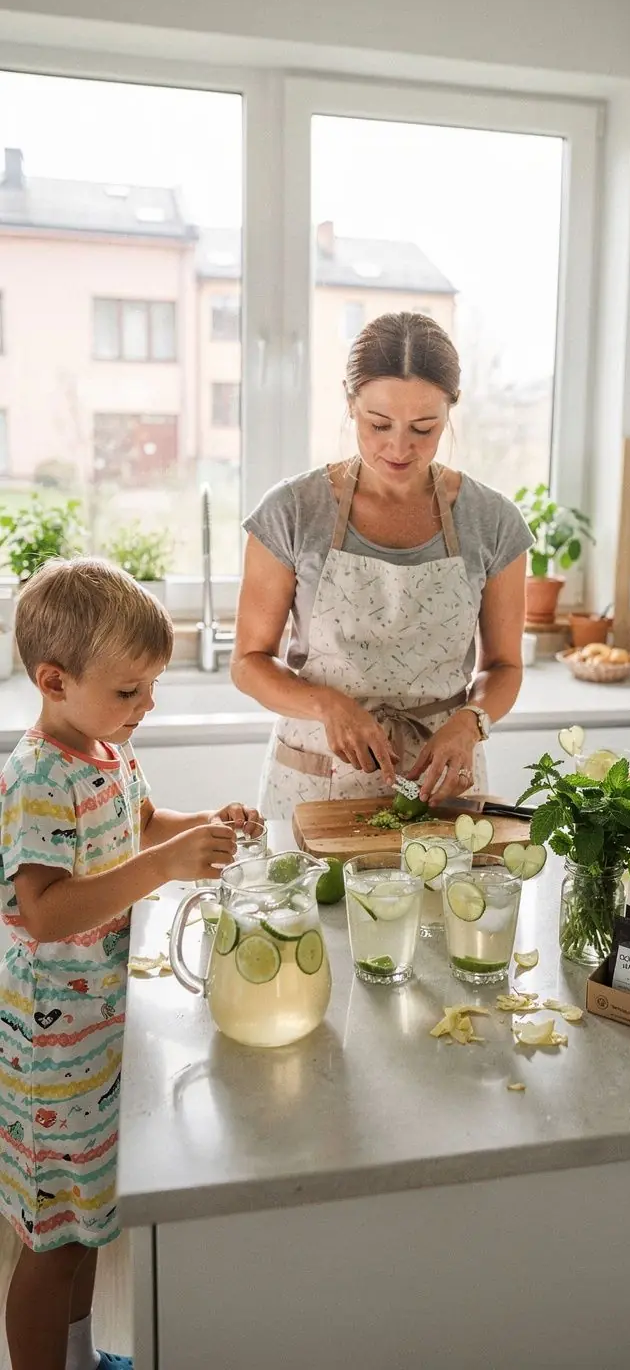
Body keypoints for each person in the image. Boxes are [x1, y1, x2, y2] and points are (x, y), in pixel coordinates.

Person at [0, 559, 262, 1370]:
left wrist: (204, 824)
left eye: (152, 686)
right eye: (129, 690)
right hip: (51, 1055)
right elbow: (44, 911)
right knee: (51, 1242)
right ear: (54, 681)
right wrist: (162, 867)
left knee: (85, 1226)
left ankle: (80, 1358)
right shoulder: (38, 776)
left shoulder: (106, 749)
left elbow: (141, 824)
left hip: (96, 1030)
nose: (146, 706)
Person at [232, 311, 534, 819]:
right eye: (378, 424)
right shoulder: (293, 511)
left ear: (450, 411)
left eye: (423, 428)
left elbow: (504, 666)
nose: (399, 446)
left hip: (443, 784)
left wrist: (470, 723)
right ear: (350, 404)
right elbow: (248, 662)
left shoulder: (493, 520)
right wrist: (328, 706)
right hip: (314, 778)